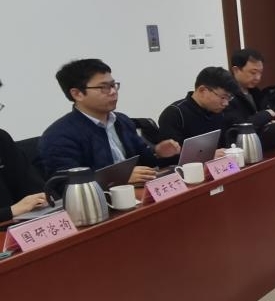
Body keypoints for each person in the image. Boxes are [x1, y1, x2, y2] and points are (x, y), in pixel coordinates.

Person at [39, 59, 180, 183]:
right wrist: (118, 177)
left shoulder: (122, 121)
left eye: (113, 85)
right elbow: (65, 183)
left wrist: (158, 152)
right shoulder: (59, 135)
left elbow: (145, 160)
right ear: (77, 94)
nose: (113, 92)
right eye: (104, 87)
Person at [1, 79, 48, 223]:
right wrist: (10, 211)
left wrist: (44, 199)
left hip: (16, 227)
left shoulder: (2, 139)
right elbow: (18, 208)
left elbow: (32, 186)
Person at [157, 67, 236, 147]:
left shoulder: (221, 112)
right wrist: (210, 153)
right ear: (202, 90)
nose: (226, 103)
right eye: (223, 97)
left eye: (229, 98)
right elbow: (172, 153)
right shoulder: (174, 114)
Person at [223, 48, 275, 130]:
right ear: (236, 70)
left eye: (260, 72)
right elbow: (239, 126)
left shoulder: (255, 92)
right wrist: (266, 115)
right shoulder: (227, 96)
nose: (258, 78)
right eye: (253, 73)